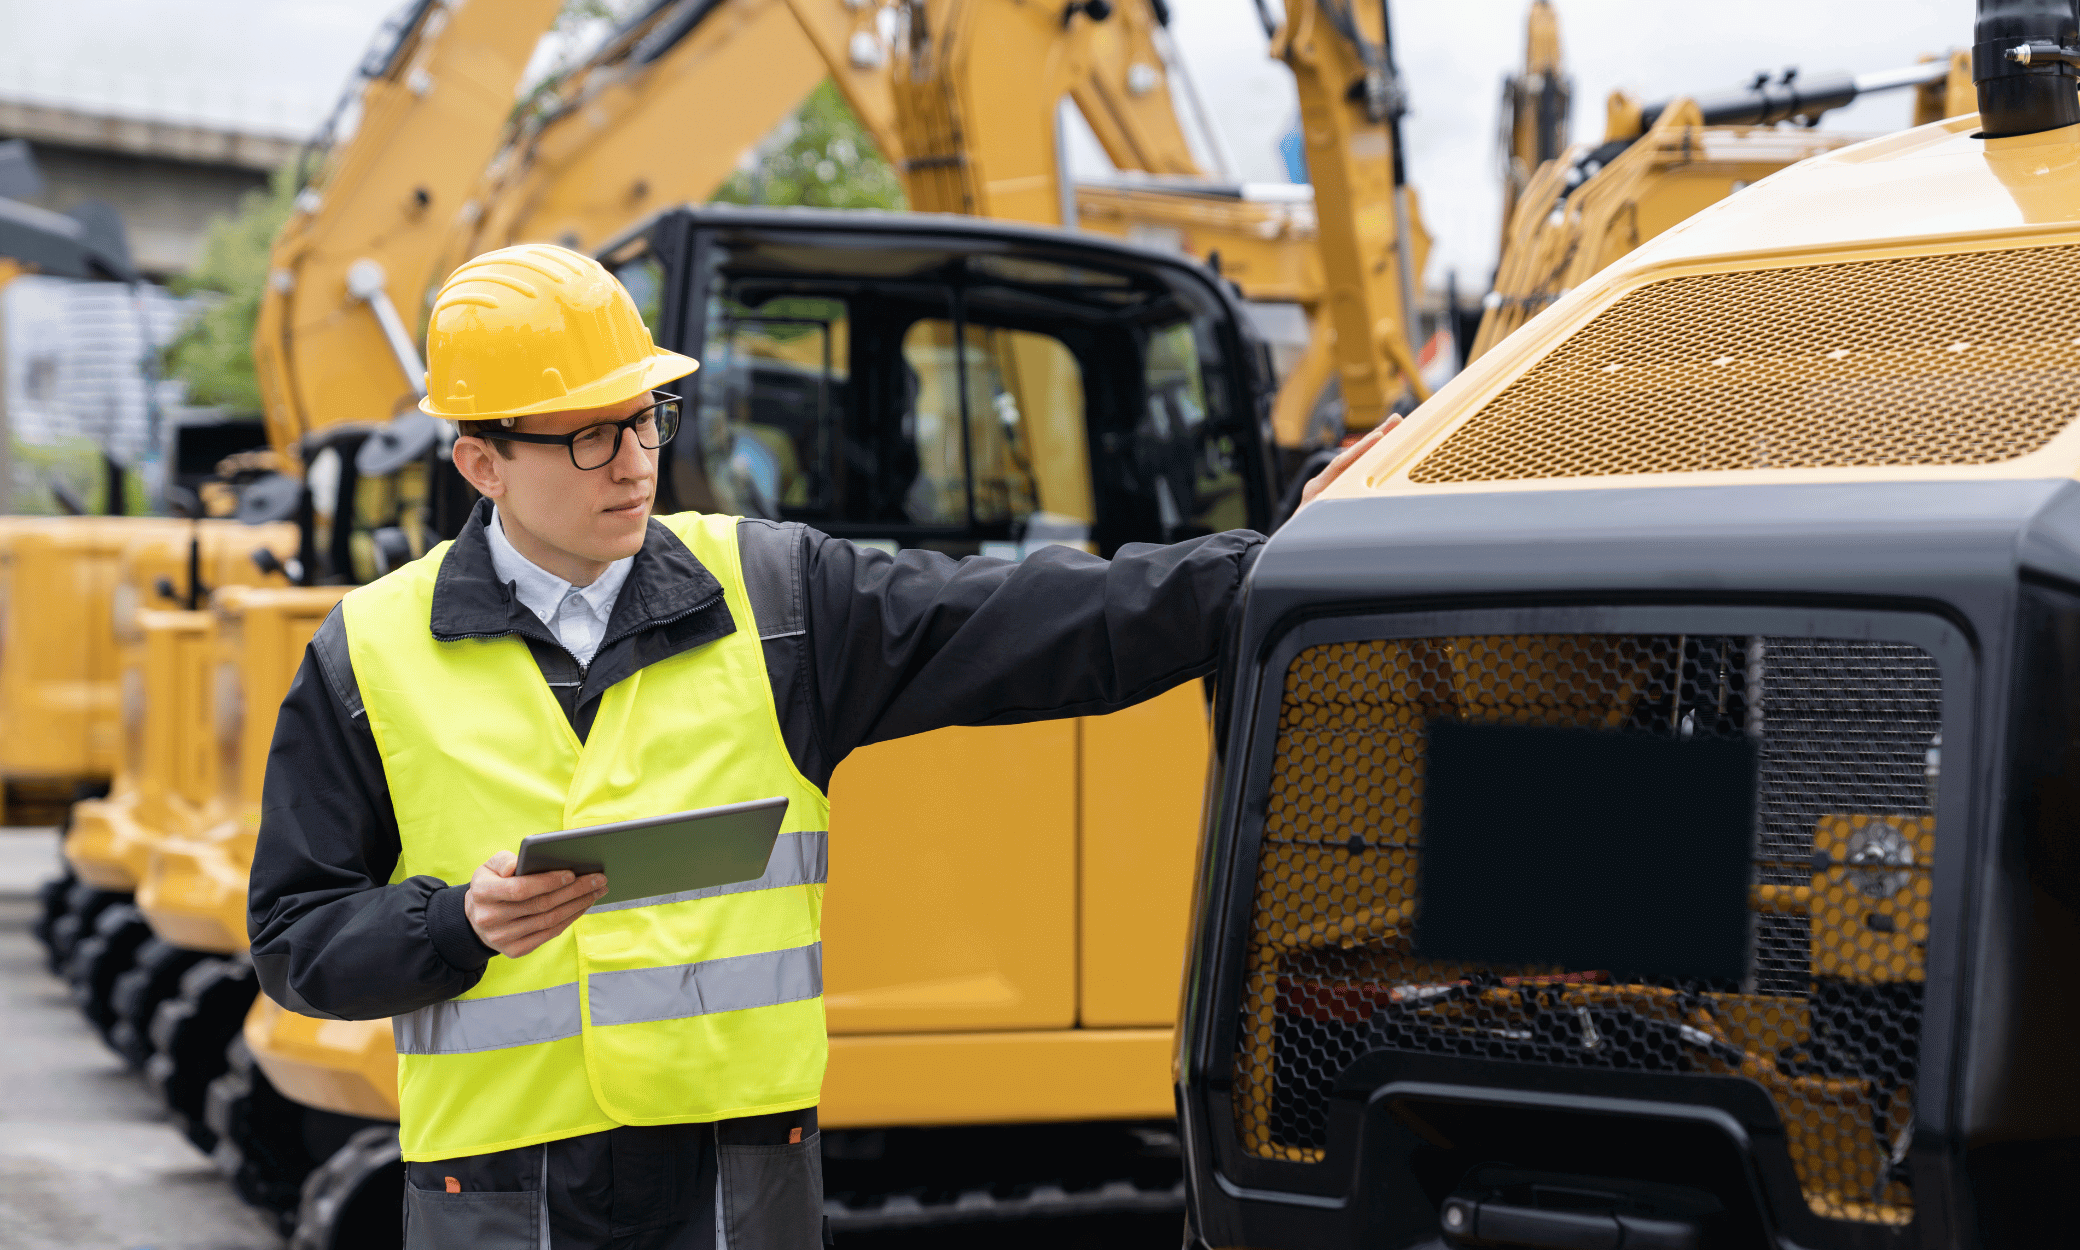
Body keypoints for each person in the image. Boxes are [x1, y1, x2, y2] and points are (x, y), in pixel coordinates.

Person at [247, 243, 1386, 1249]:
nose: (636, 461)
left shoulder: (778, 594)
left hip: (739, 1170)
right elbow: (295, 942)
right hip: (495, 1183)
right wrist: (453, 922)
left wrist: (1271, 560)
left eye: (646, 418)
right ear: (482, 464)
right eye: (591, 436)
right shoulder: (368, 655)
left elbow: (1032, 620)